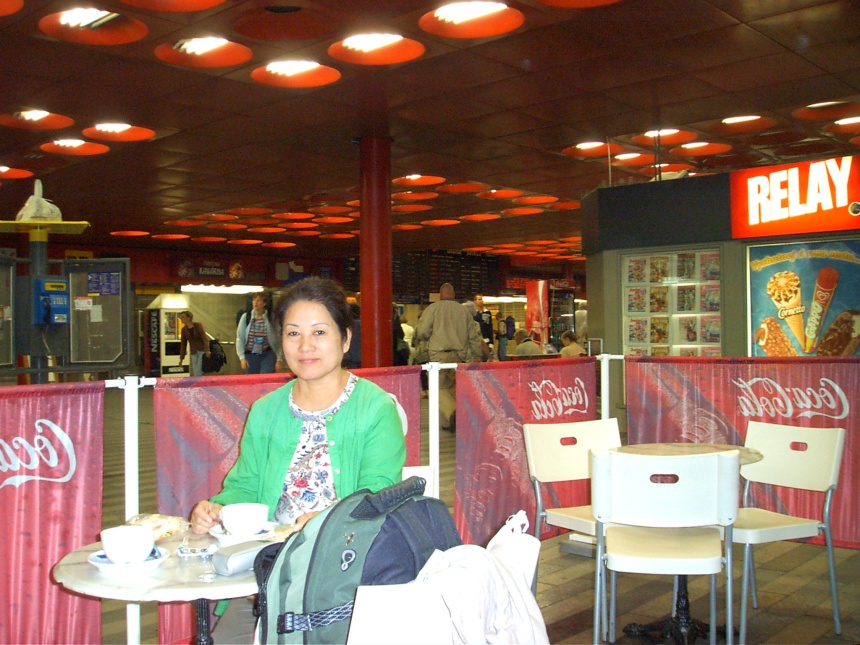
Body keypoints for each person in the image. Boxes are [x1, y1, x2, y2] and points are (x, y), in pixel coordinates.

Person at [191, 277, 406, 640]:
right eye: (293, 333)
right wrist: (217, 508)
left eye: (319, 332)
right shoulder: (265, 410)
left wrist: (325, 520)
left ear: (345, 339)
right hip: (264, 574)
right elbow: (244, 484)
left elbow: (378, 494)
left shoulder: (375, 408)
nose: (305, 345)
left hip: (346, 577)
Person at [415, 283, 472, 432]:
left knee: (437, 388)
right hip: (459, 355)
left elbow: (422, 332)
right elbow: (473, 335)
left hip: (438, 356)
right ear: (453, 294)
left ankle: (452, 412)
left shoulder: (432, 309)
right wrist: (477, 355)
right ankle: (449, 422)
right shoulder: (464, 311)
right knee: (453, 388)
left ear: (440, 295)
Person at [236, 291, 282, 374]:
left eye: (259, 301)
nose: (255, 303)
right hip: (250, 353)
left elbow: (278, 339)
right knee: (251, 379)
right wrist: (242, 358)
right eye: (254, 300)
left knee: (267, 377)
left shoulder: (271, 318)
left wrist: (279, 359)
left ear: (264, 303)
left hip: (267, 353)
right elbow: (240, 338)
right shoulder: (246, 317)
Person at [178, 310, 210, 377]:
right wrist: (181, 358)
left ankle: (199, 382)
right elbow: (183, 344)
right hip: (193, 352)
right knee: (195, 371)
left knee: (199, 369)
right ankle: (199, 381)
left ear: (189, 318)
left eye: (183, 317)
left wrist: (207, 350)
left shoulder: (198, 325)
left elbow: (204, 338)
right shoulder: (184, 330)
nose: (181, 319)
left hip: (202, 350)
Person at [471, 294, 494, 361]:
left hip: (486, 339)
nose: (481, 301)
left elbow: (490, 327)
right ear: (475, 301)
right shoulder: (473, 313)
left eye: (481, 299)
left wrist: (491, 343)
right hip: (476, 340)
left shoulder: (487, 312)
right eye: (479, 299)